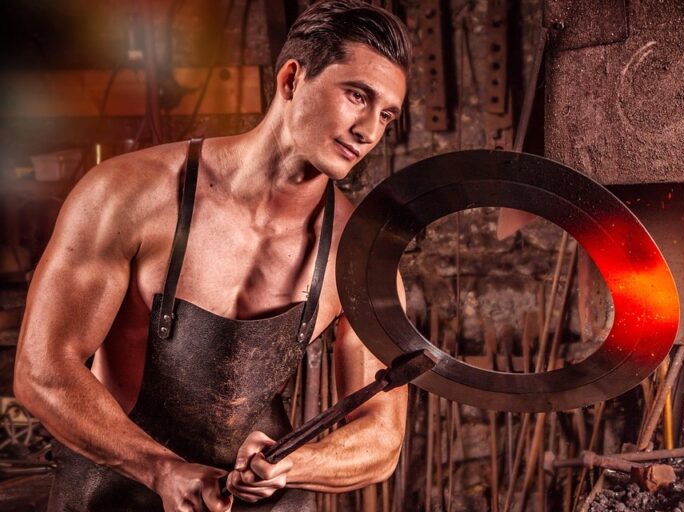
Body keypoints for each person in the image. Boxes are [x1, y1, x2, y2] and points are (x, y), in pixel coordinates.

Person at [14, 1, 411, 510]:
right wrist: (162, 470)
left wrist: (291, 465)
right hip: (118, 482)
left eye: (386, 115)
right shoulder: (128, 195)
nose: (369, 131)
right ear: (292, 78)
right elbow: (43, 370)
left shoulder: (360, 255)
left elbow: (382, 439)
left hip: (254, 498)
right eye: (357, 95)